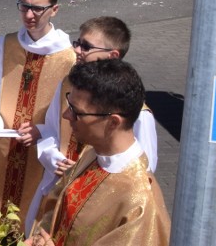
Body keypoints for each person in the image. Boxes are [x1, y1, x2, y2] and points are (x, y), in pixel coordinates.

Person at [20, 16, 159, 234]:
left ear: (113, 55)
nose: (77, 50)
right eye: (77, 43)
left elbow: (145, 164)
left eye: (86, 46)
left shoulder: (137, 113)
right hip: (59, 183)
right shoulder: (68, 85)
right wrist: (51, 156)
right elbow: (50, 129)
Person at [27, 60, 170, 246]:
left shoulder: (140, 201)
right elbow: (55, 210)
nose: (66, 116)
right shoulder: (92, 153)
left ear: (113, 123)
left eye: (76, 112)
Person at [0, 0, 75, 228]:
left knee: (30, 216)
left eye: (37, 8)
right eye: (24, 5)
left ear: (54, 10)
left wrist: (42, 131)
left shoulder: (67, 56)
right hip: (6, 139)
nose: (29, 14)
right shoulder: (6, 43)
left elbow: (69, 113)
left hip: (41, 144)